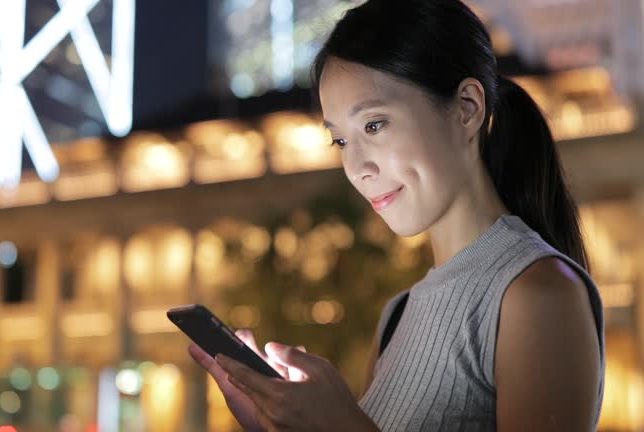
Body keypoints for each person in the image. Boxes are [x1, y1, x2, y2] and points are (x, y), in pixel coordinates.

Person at [188, 0, 605, 430]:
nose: (357, 168)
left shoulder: (537, 293)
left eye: (373, 126)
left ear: (467, 107)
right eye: (341, 142)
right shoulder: (398, 315)